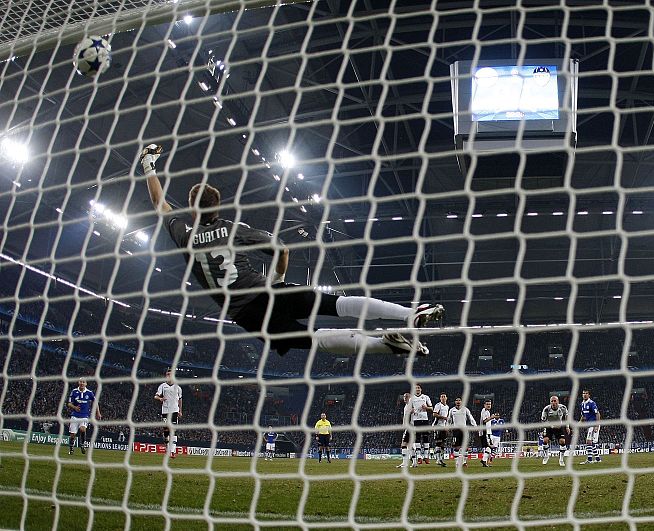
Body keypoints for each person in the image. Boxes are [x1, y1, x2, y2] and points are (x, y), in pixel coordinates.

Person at [140, 144, 443, 357]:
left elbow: (159, 203)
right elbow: (281, 250)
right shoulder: (235, 229)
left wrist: (148, 165)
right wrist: (275, 281)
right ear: (217, 206)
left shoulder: (185, 236)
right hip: (271, 292)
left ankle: (386, 347)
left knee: (314, 340)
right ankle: (409, 313)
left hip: (247, 312)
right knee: (339, 304)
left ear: (193, 209)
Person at [66, 377, 101, 455]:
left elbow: (95, 402)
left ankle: (82, 445)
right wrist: (74, 407)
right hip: (74, 416)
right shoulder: (74, 391)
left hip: (84, 415)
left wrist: (98, 412)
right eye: (81, 382)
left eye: (83, 382)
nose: (82, 383)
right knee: (72, 435)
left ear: (86, 384)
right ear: (78, 382)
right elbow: (69, 403)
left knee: (82, 429)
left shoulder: (89, 393)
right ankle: (71, 448)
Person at [155, 369, 182, 459]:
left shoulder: (178, 388)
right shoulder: (162, 386)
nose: (168, 376)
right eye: (167, 374)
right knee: (166, 432)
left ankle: (173, 451)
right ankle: (167, 446)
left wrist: (180, 410)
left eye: (170, 374)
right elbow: (156, 396)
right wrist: (160, 399)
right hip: (165, 411)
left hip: (174, 410)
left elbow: (180, 399)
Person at [446, 397, 477, 467]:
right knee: (457, 447)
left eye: (459, 400)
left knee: (465, 447)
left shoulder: (465, 409)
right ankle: (457, 463)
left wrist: (475, 426)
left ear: (462, 402)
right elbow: (449, 420)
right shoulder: (452, 410)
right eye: (456, 400)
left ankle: (464, 462)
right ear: (455, 402)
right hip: (456, 430)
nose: (458, 401)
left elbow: (471, 418)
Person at [541, 395, 570, 466]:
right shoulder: (546, 409)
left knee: (562, 441)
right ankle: (546, 456)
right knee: (545, 440)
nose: (553, 403)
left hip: (559, 427)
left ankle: (561, 460)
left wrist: (567, 427)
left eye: (555, 401)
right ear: (550, 402)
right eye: (552, 401)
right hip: (549, 426)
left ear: (558, 402)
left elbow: (567, 417)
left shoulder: (563, 408)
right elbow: (543, 421)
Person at [409, 384, 433, 464]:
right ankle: (419, 457)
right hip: (416, 420)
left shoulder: (426, 397)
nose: (417, 389)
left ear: (421, 389)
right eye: (416, 388)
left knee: (426, 438)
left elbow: (431, 408)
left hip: (425, 419)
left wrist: (426, 408)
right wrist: (411, 410)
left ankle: (426, 457)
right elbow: (409, 409)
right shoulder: (412, 399)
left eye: (418, 388)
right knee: (418, 438)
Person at [579, 389, 602, 464]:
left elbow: (597, 414)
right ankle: (598, 459)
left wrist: (596, 426)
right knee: (591, 443)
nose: (584, 394)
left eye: (586, 393)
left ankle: (589, 460)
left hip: (593, 424)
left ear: (589, 395)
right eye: (583, 393)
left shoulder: (592, 403)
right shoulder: (582, 404)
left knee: (588, 442)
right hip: (589, 425)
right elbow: (583, 416)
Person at [479, 400, 499, 467]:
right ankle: (484, 460)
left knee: (488, 447)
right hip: (486, 432)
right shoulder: (485, 411)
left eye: (489, 404)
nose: (488, 405)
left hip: (485, 431)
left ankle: (484, 461)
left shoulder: (485, 411)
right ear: (484, 405)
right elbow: (485, 421)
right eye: (487, 404)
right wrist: (492, 417)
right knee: (490, 447)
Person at [432, 393, 450, 467]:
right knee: (438, 443)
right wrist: (443, 417)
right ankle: (439, 460)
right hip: (437, 426)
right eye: (441, 396)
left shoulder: (447, 407)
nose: (443, 398)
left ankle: (440, 459)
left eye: (444, 396)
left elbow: (447, 419)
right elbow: (434, 414)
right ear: (440, 398)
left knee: (443, 443)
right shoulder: (438, 405)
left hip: (444, 427)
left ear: (446, 398)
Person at [397, 393, 413, 468]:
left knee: (403, 444)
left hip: (410, 426)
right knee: (409, 445)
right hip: (408, 427)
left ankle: (405, 463)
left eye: (406, 396)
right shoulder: (406, 406)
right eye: (404, 397)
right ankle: (414, 462)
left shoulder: (411, 404)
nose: (405, 398)